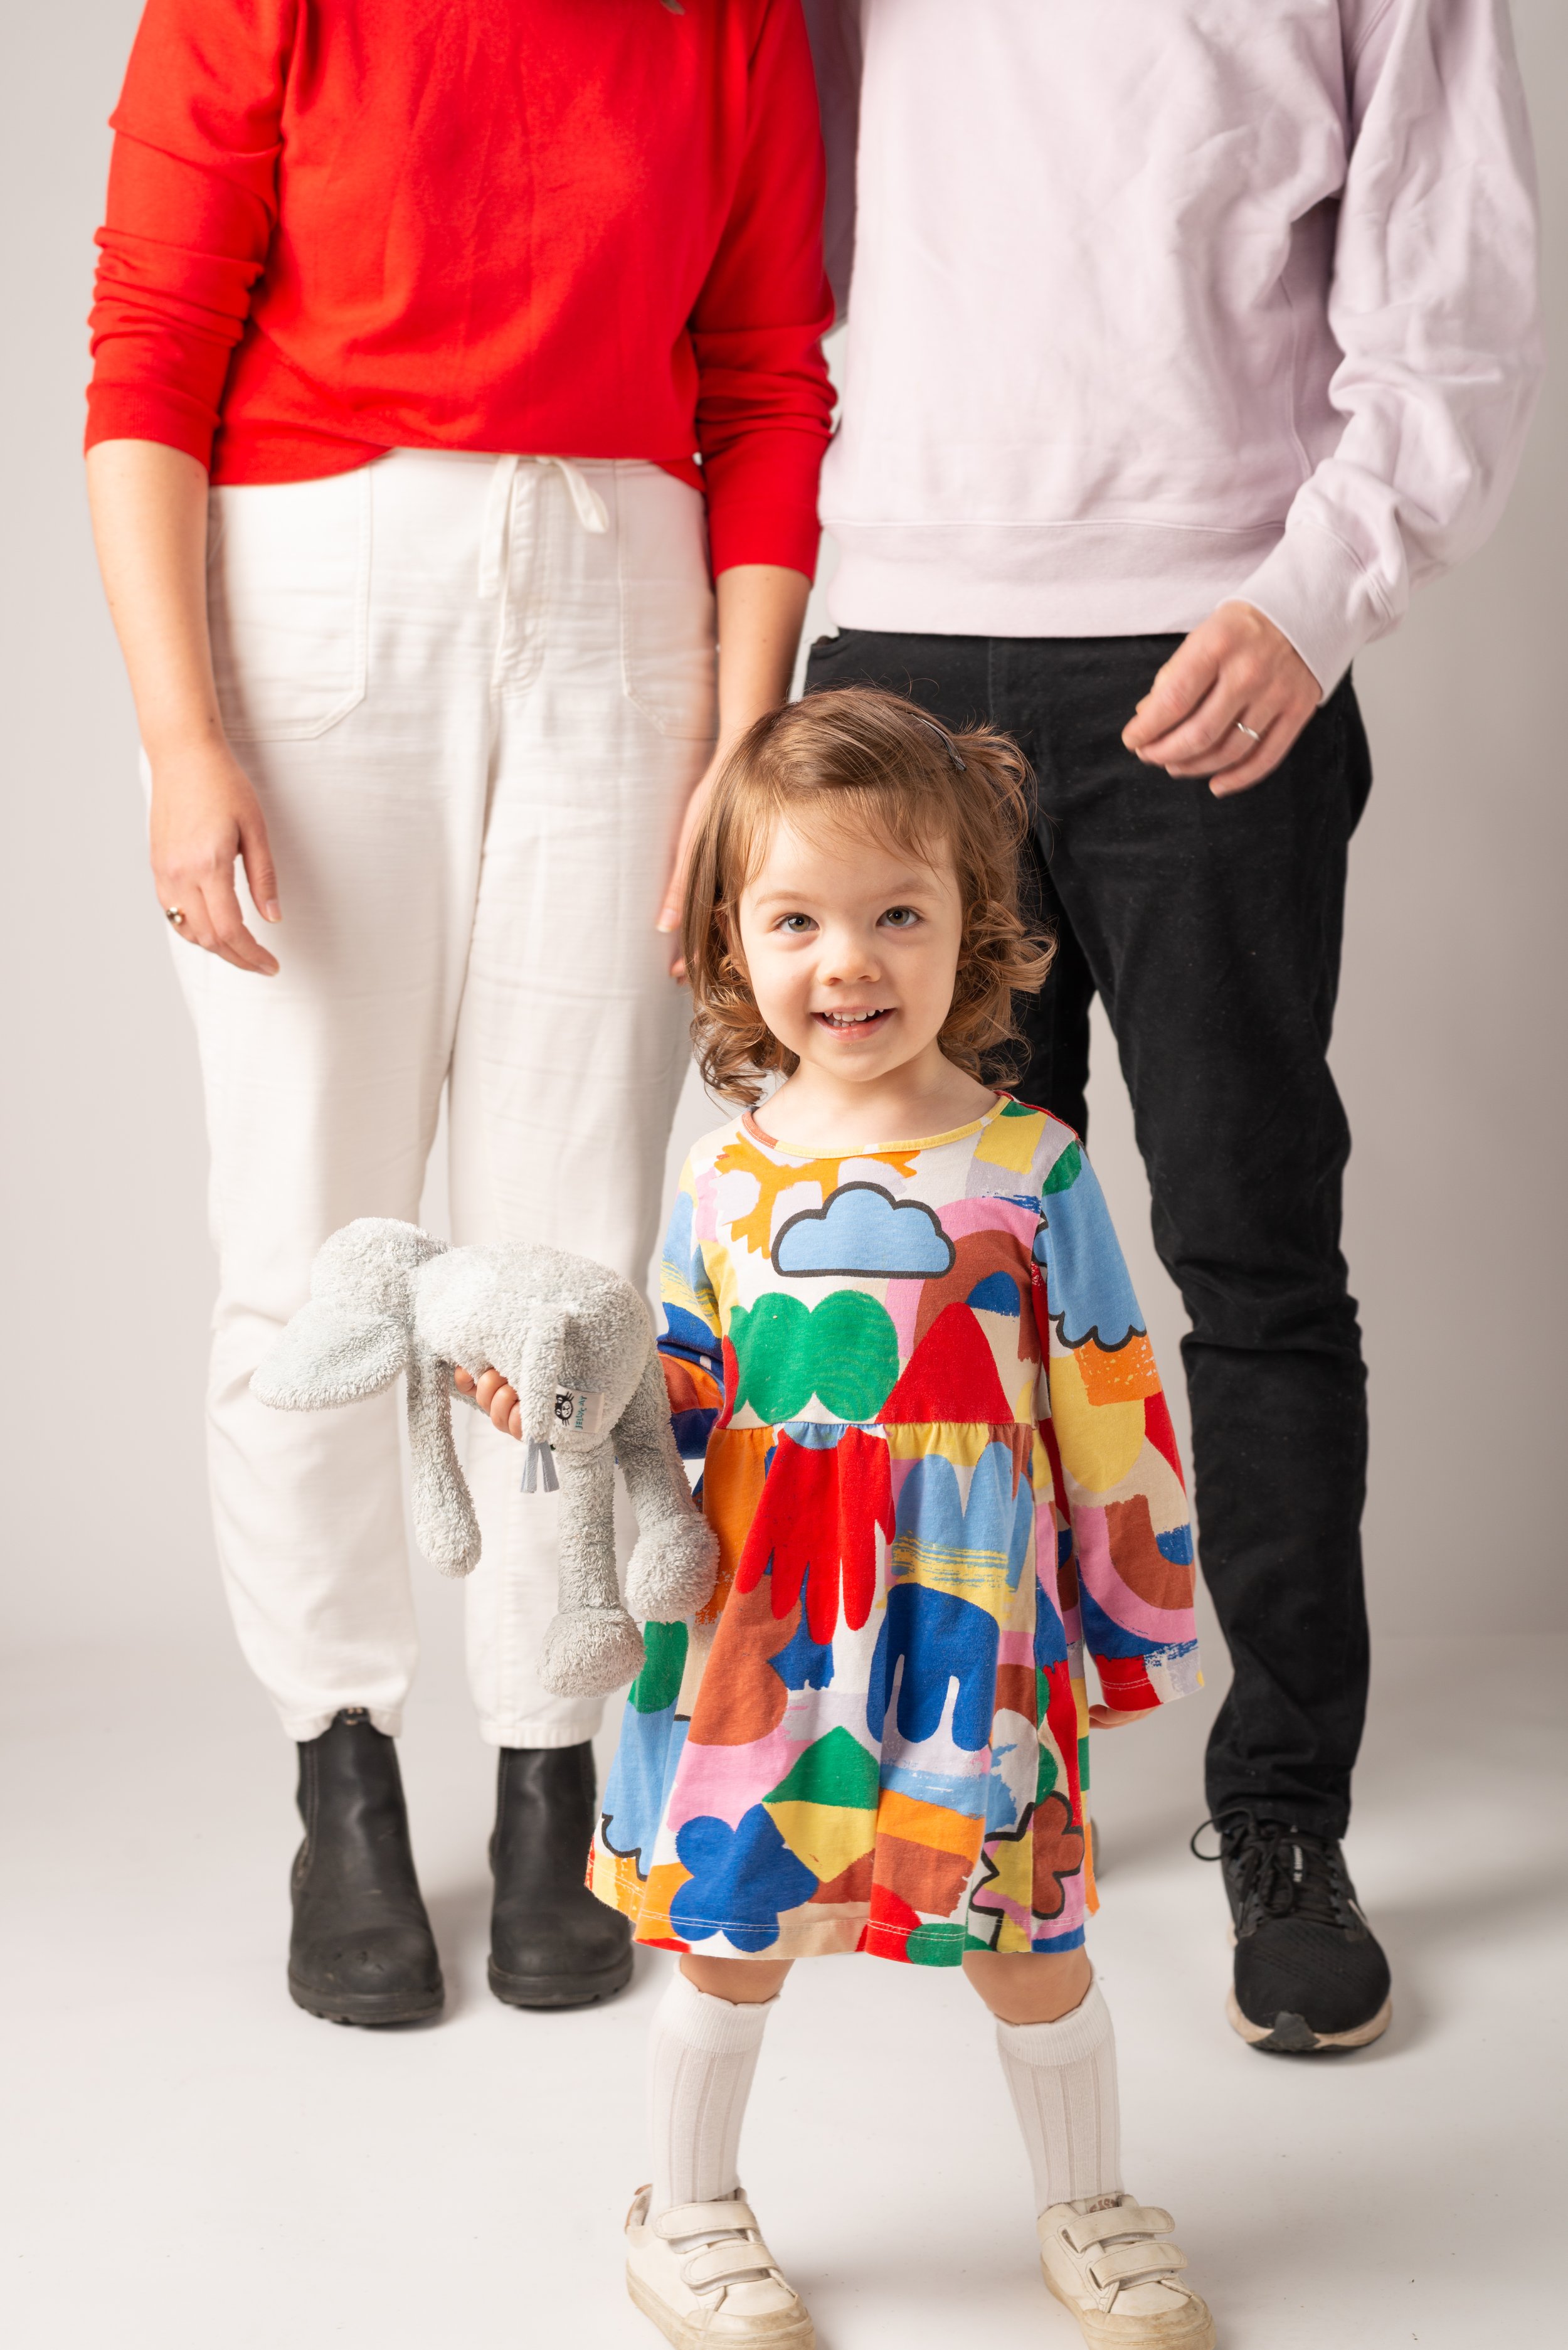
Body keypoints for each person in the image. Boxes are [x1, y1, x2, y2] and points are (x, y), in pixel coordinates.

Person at [799, 0, 1542, 2053]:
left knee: (1246, 1247)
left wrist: (1313, 599)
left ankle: (1284, 1814)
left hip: (1214, 642)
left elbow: (1452, 291)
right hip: (906, 627)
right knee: (922, 1266)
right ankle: (961, 1778)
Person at [85, 0, 833, 2025]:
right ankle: (337, 1766)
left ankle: (543, 1763)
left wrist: (742, 730)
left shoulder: (729, 21)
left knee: (569, 1233)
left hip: (629, 602)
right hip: (319, 589)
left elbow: (767, 376)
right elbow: (150, 342)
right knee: (310, 1231)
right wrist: (178, 736)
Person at [467, 688, 1213, 2349]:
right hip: (759, 1628)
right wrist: (560, 1405)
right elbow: (668, 1381)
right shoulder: (725, 1177)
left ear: (977, 928)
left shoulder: (1032, 1167)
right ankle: (686, 2210)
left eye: (897, 913)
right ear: (736, 944)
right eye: (797, 918)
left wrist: (1128, 1615)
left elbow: (1108, 1399)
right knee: (733, 1936)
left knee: (1027, 1937)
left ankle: (1089, 2206)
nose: (848, 960)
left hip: (974, 1635)